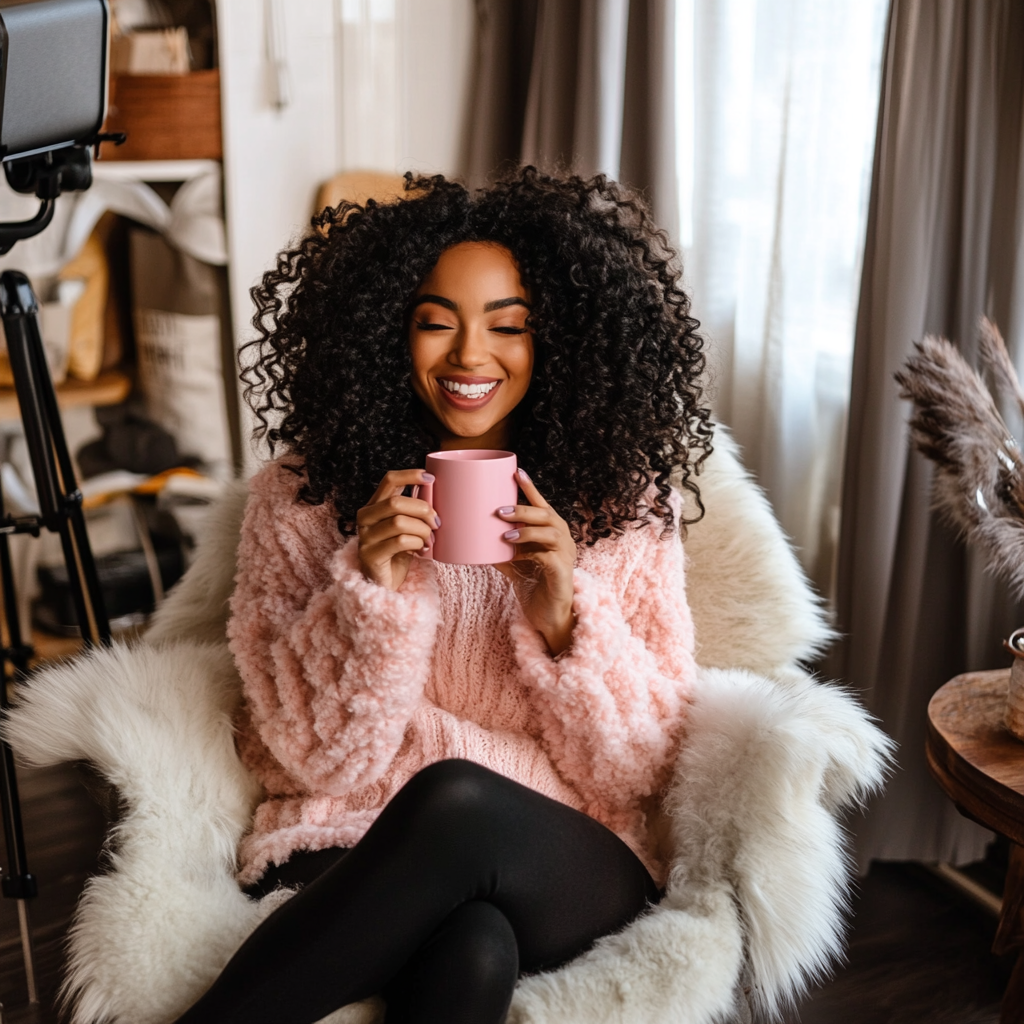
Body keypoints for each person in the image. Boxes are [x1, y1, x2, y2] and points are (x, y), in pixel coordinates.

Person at [174, 168, 713, 1024]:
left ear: (562, 341)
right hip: (352, 843)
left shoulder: (624, 504)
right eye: (436, 324)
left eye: (509, 327)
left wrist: (566, 617)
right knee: (472, 947)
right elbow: (304, 757)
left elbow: (642, 768)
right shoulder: (305, 494)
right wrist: (371, 595)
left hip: (563, 856)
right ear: (389, 331)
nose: (469, 357)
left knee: (457, 798)